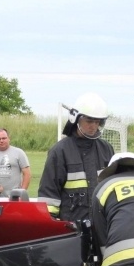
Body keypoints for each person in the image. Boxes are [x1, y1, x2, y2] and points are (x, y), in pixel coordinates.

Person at [38, 92, 114, 222]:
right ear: (76, 119)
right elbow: (49, 194)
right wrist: (51, 223)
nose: (93, 126)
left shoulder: (106, 149)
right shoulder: (60, 151)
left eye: (97, 122)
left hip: (102, 226)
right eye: (89, 121)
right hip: (71, 228)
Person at [0, 128, 31, 195]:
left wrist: (22, 192)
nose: (1, 141)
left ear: (8, 138)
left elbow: (27, 174)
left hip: (13, 198)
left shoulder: (19, 153)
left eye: (4, 138)